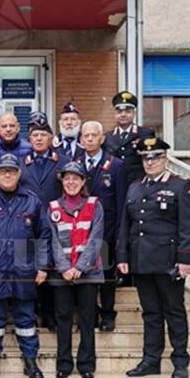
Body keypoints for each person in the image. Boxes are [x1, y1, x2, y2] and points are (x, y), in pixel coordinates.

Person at [117, 137, 190, 378]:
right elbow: (126, 224)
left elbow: (189, 226)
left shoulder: (181, 186)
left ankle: (180, 362)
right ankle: (151, 360)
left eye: (155, 157)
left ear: (165, 159)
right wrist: (123, 255)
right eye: (145, 157)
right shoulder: (135, 187)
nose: (150, 162)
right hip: (142, 260)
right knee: (150, 313)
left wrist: (185, 259)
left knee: (174, 311)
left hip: (168, 261)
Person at [0, 153, 51, 378]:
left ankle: (31, 362)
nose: (7, 175)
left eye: (11, 171)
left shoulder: (32, 200)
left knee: (26, 318)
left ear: (18, 174)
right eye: (3, 171)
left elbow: (43, 235)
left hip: (25, 270)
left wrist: (43, 266)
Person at [48, 162, 104, 378]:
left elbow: (96, 237)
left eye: (76, 178)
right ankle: (64, 364)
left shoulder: (94, 205)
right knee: (63, 319)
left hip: (88, 273)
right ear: (62, 182)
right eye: (67, 178)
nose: (71, 182)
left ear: (83, 182)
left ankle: (86, 364)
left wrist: (80, 266)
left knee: (87, 320)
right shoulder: (53, 206)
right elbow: (51, 240)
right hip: (62, 273)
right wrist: (64, 267)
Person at [18, 111, 70, 331]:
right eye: (35, 135)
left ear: (51, 138)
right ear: (29, 139)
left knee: (52, 270)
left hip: (56, 225)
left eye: (43, 135)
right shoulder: (21, 163)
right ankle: (32, 312)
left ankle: (50, 315)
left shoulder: (63, 161)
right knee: (30, 269)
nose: (38, 139)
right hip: (28, 225)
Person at [80, 121, 128, 332]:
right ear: (81, 140)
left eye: (94, 135)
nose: (89, 139)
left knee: (107, 276)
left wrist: (119, 234)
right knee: (85, 277)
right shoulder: (73, 163)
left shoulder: (116, 165)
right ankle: (90, 314)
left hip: (107, 231)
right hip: (80, 232)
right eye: (86, 136)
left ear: (102, 139)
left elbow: (122, 202)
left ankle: (108, 314)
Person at [103, 91, 156, 183]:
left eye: (128, 111)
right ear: (115, 114)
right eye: (119, 112)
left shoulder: (145, 134)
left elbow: (151, 158)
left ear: (134, 114)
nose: (123, 115)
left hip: (138, 183)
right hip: (115, 183)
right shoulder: (108, 137)